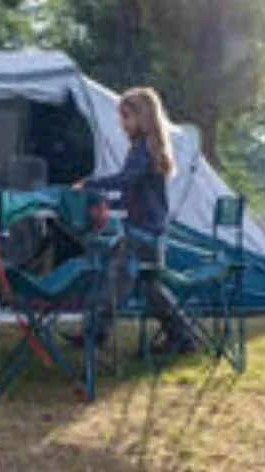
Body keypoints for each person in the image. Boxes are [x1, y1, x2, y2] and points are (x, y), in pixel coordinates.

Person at [69, 86, 197, 354]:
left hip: (142, 233)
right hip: (151, 231)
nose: (121, 123)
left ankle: (94, 333)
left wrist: (90, 185)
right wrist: (106, 203)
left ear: (143, 117)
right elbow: (131, 194)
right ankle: (182, 336)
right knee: (151, 290)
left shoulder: (143, 150)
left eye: (126, 116)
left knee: (114, 279)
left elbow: (125, 181)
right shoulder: (148, 148)